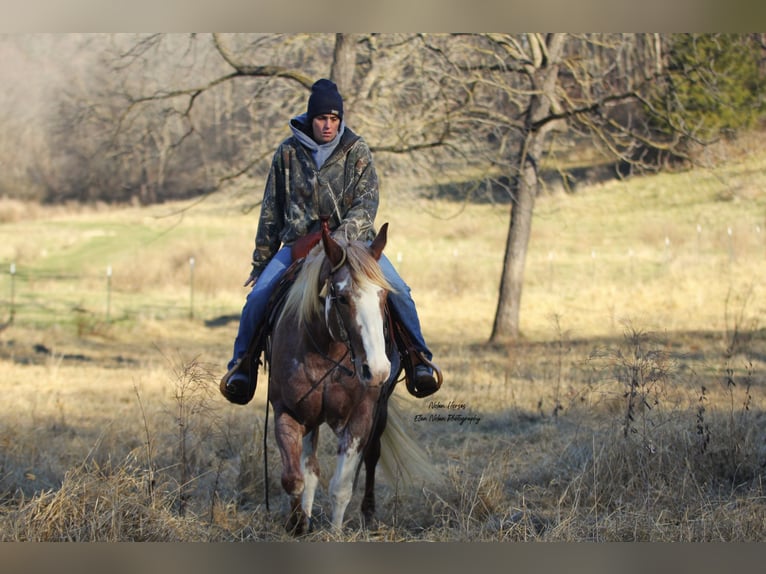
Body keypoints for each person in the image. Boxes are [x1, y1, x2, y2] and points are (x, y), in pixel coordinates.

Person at [222, 78, 441, 402]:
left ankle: (418, 359)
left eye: (334, 119)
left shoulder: (357, 150)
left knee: (399, 291)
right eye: (322, 119)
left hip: (353, 245)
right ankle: (242, 367)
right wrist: (261, 261)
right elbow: (272, 208)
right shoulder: (287, 153)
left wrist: (340, 237)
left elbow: (367, 204)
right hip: (299, 244)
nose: (328, 125)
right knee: (258, 298)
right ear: (311, 119)